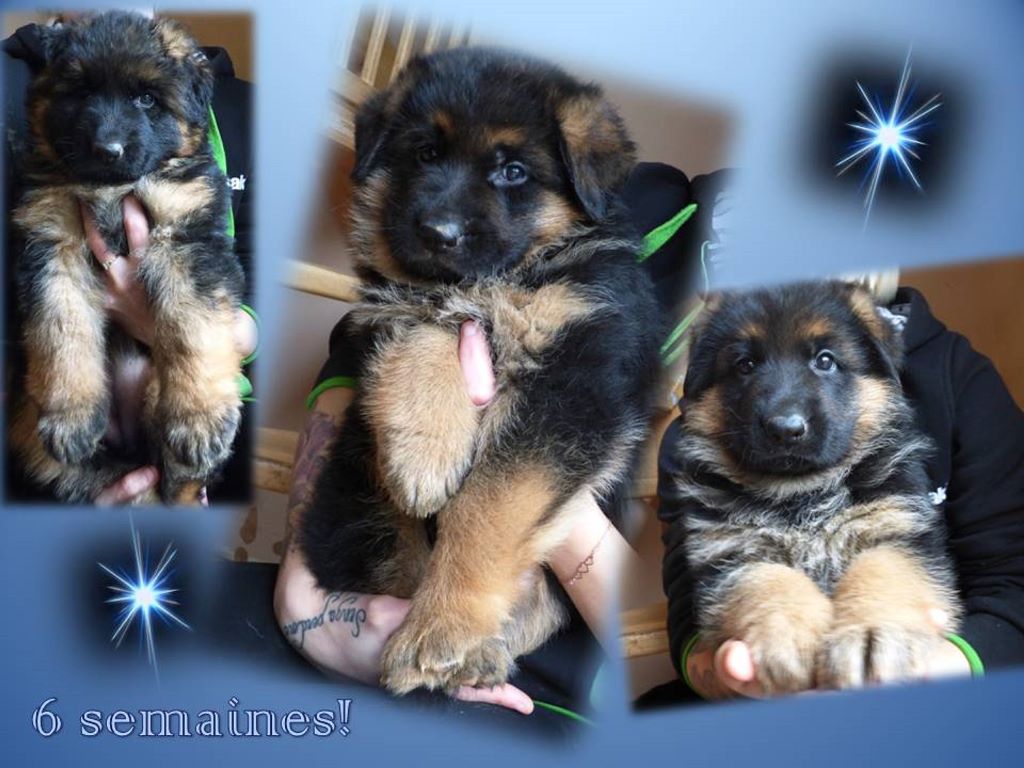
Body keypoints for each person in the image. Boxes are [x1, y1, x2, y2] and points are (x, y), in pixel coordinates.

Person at [272, 161, 725, 726]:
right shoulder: (632, 191)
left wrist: (520, 448)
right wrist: (307, 607)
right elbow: (370, 341)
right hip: (361, 597)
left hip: (563, 680)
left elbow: (674, 663)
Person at [640, 282, 1024, 705]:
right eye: (745, 365)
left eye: (826, 360)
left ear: (885, 374)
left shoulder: (953, 378)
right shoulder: (698, 463)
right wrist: (745, 639)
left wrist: (900, 636)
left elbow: (933, 559)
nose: (786, 418)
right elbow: (697, 601)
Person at [3, 15, 256, 503]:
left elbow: (211, 274)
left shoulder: (221, 129)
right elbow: (49, 283)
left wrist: (196, 383)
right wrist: (67, 396)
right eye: (83, 94)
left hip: (170, 417)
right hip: (66, 463)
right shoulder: (47, 169)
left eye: (145, 99)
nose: (108, 136)